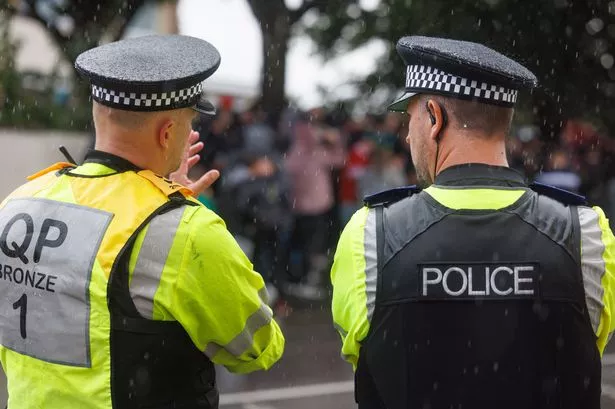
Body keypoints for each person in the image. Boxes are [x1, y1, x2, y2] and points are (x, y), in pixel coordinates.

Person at [330, 35, 615, 409]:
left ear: (434, 117)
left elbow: (363, 358)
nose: (408, 134)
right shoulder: (586, 232)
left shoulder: (369, 232)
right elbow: (587, 345)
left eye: (410, 117)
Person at [0, 35, 284, 409]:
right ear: (168, 132)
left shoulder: (19, 203)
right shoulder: (184, 231)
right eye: (189, 122)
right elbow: (256, 347)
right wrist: (178, 214)